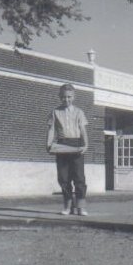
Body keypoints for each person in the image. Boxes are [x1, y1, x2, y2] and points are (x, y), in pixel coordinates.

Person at [46, 84, 89, 216]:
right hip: (62, 145)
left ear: (73, 97)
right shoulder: (55, 112)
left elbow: (83, 130)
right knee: (63, 177)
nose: (66, 99)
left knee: (79, 177)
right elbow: (52, 129)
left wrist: (85, 144)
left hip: (76, 144)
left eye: (69, 97)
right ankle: (68, 206)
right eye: (64, 97)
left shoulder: (79, 112)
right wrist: (48, 144)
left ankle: (81, 207)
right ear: (60, 97)